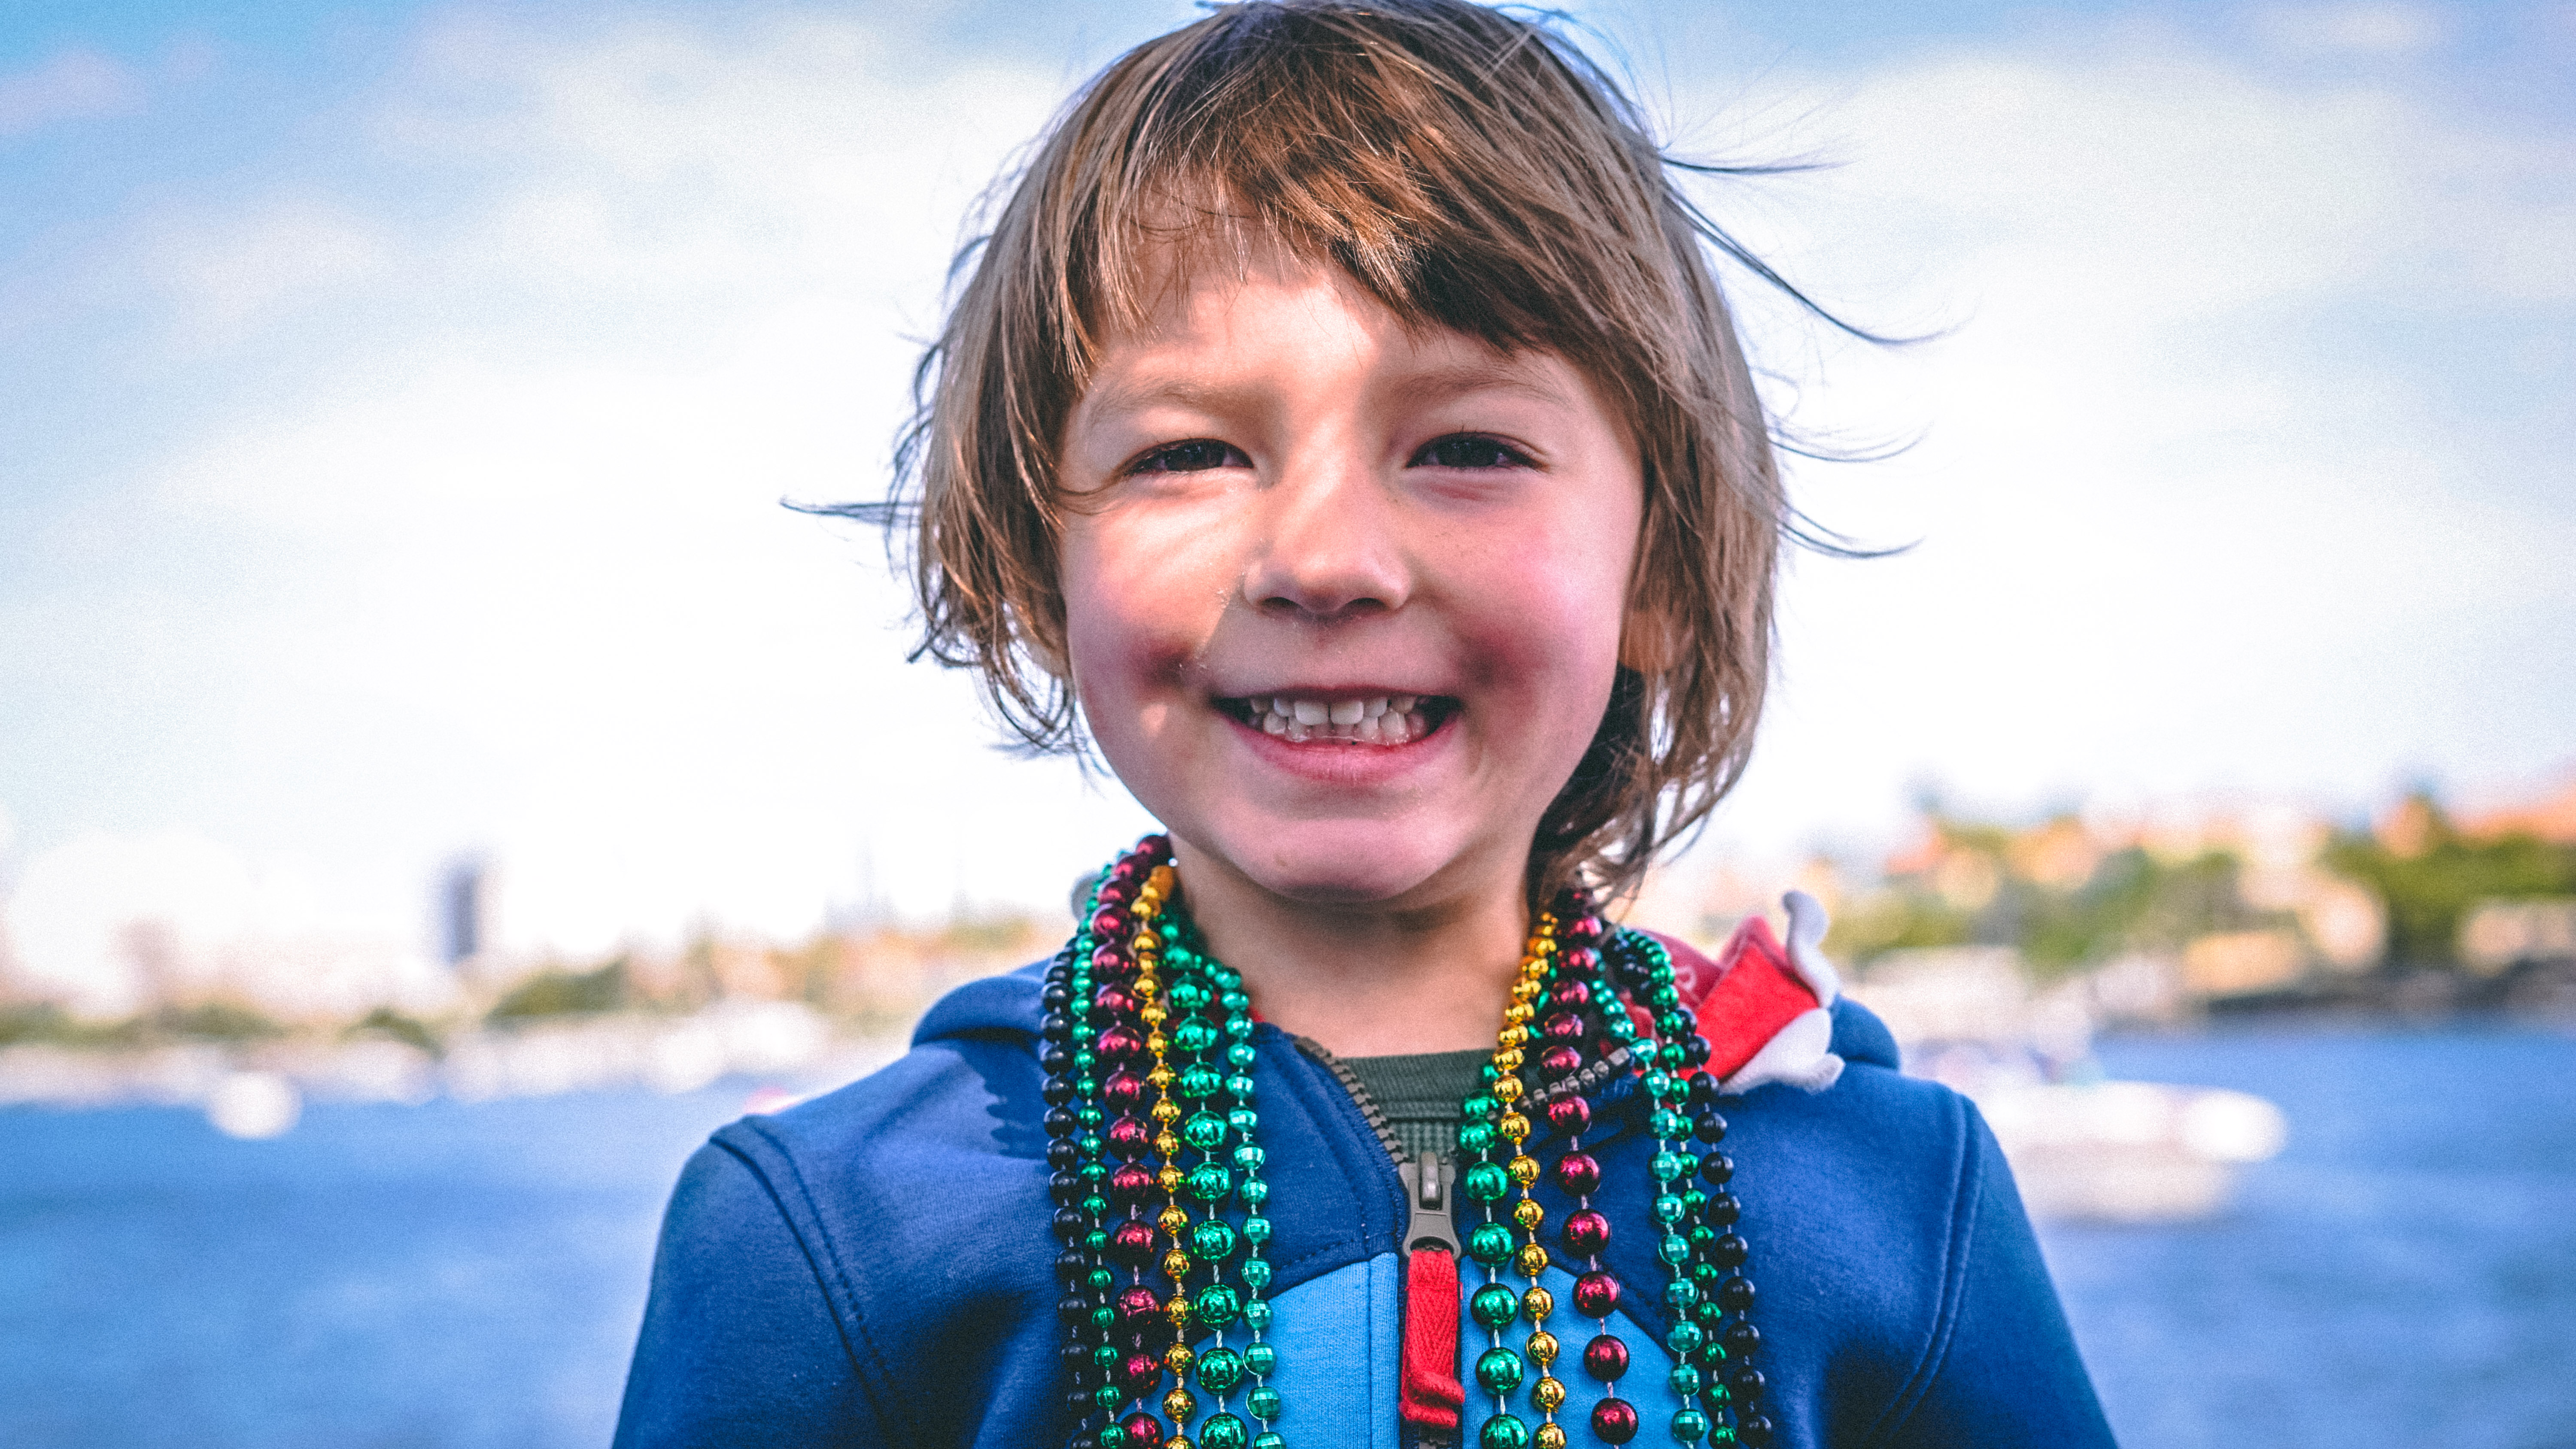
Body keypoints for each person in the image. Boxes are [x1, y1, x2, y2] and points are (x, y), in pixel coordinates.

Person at [613, 3, 2115, 1446]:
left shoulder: (1895, 1199)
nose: (1324, 560)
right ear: (1035, 575)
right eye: (1190, 454)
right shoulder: (833, 1239)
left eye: (1468, 445)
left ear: (1657, 575)